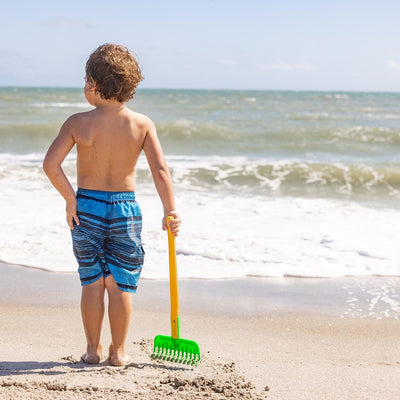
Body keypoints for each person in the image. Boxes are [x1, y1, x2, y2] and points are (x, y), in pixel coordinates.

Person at [43, 43, 181, 366]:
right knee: (120, 282)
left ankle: (93, 350)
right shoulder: (142, 124)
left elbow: (51, 164)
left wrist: (70, 199)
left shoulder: (78, 123)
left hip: (87, 208)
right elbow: (161, 171)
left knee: (91, 280)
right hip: (125, 210)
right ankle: (118, 353)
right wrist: (170, 210)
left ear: (93, 85)